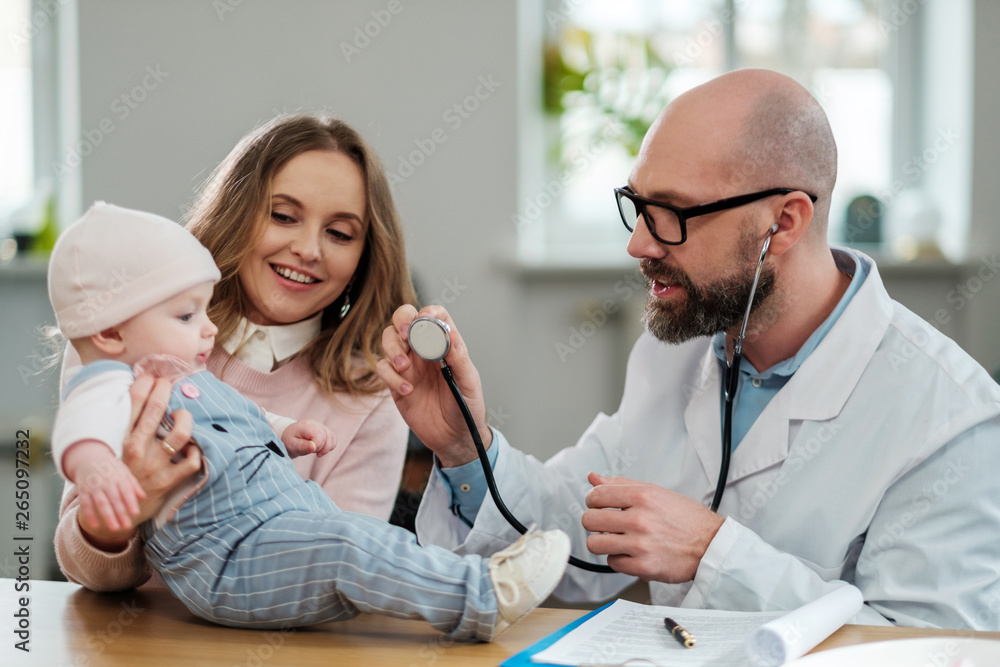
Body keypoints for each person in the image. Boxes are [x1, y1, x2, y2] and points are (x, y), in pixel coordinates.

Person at [377, 69, 1000, 630]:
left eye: (671, 213)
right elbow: (572, 526)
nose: (639, 245)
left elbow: (929, 648)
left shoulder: (951, 418)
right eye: (637, 207)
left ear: (783, 223)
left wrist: (714, 554)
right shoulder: (676, 349)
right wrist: (466, 449)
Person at [47, 202, 571, 640]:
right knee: (346, 548)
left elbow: (240, 415)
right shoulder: (111, 382)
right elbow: (81, 431)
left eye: (340, 232)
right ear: (111, 334)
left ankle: (466, 580)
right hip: (225, 559)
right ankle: (482, 596)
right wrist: (100, 476)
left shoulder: (189, 374)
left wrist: (282, 431)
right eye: (186, 317)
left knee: (364, 540)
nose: (207, 330)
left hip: (285, 523)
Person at [53, 114, 416, 591]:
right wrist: (117, 519)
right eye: (283, 216)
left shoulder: (373, 396)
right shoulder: (125, 339)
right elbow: (90, 573)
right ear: (236, 215)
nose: (308, 249)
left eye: (340, 233)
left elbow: (335, 580)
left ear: (364, 258)